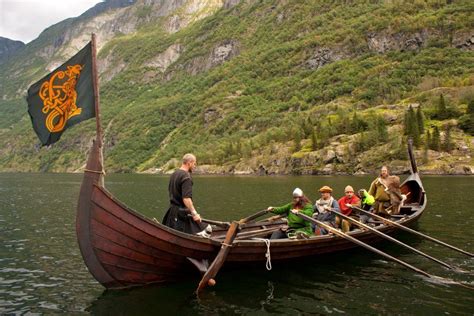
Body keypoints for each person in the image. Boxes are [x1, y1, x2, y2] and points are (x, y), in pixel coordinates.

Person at [162, 153, 210, 236]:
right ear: (189, 163)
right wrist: (194, 214)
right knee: (208, 230)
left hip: (172, 212)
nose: (195, 166)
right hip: (182, 214)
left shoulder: (174, 174)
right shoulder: (186, 177)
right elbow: (186, 198)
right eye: (194, 163)